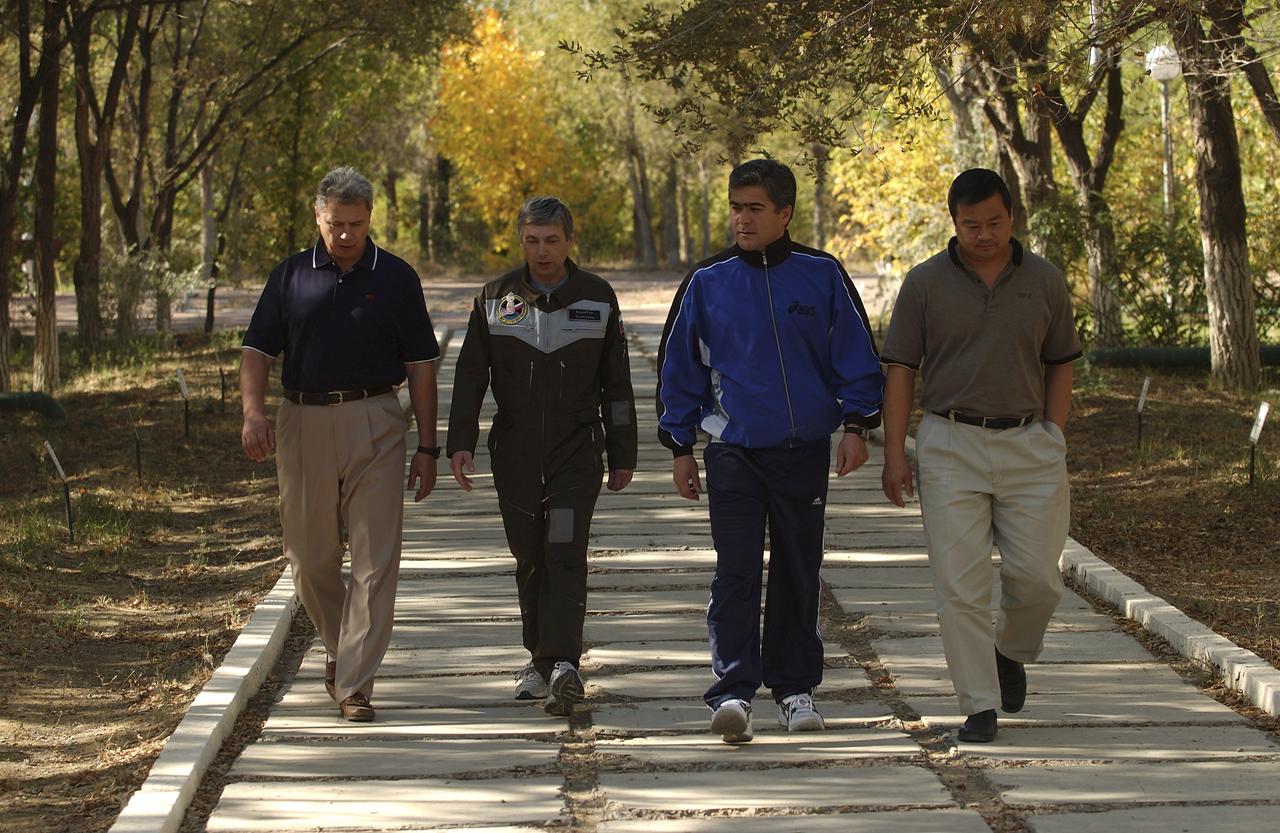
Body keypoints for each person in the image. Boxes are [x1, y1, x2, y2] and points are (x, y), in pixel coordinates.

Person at [656, 159, 884, 744]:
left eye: (755, 207)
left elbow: (856, 357)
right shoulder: (707, 281)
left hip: (802, 452)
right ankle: (732, 691)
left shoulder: (823, 275)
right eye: (735, 206)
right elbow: (679, 366)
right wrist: (680, 446)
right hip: (733, 452)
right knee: (735, 571)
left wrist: (857, 426)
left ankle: (794, 690)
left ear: (784, 213)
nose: (742, 218)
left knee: (797, 571)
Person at [880, 168, 1082, 743]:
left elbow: (1060, 362)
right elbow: (900, 372)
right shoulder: (924, 284)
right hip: (949, 443)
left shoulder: (1044, 280)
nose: (984, 234)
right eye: (972, 225)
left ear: (1012, 217)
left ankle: (1011, 649)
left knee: (1039, 579)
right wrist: (896, 454)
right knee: (959, 586)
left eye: (994, 222)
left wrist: (1053, 434)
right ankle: (978, 704)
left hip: (1030, 444)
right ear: (954, 223)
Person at [240, 166, 440, 723]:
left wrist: (428, 446)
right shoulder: (290, 277)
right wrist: (252, 413)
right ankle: (341, 647)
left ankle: (354, 683)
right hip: (302, 420)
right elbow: (256, 351)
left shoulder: (397, 278)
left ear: (370, 218)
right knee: (308, 559)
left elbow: (421, 366)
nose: (346, 234)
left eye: (356, 223)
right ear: (318, 217)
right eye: (336, 224)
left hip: (377, 418)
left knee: (376, 559)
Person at [447, 196, 637, 717]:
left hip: (576, 451)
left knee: (564, 551)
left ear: (569, 240)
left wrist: (624, 452)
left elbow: (617, 384)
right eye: (532, 240)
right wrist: (459, 441)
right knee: (529, 555)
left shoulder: (597, 297)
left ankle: (563, 663)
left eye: (552, 240)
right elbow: (470, 376)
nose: (542, 251)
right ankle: (538, 659)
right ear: (521, 241)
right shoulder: (496, 297)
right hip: (515, 451)